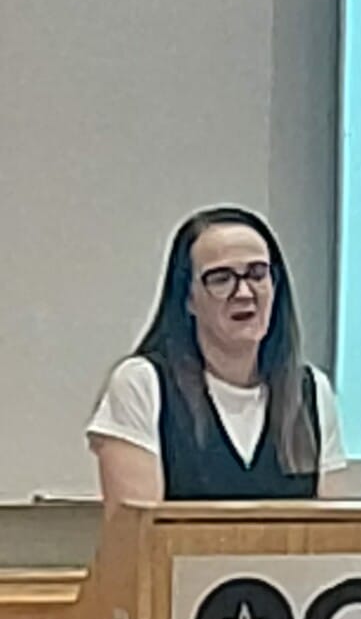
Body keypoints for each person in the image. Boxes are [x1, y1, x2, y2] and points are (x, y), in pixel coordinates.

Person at [87, 205, 347, 513]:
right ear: (187, 299)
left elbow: (330, 536)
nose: (244, 292)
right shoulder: (142, 383)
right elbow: (134, 539)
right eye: (221, 278)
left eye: (257, 274)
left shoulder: (311, 390)